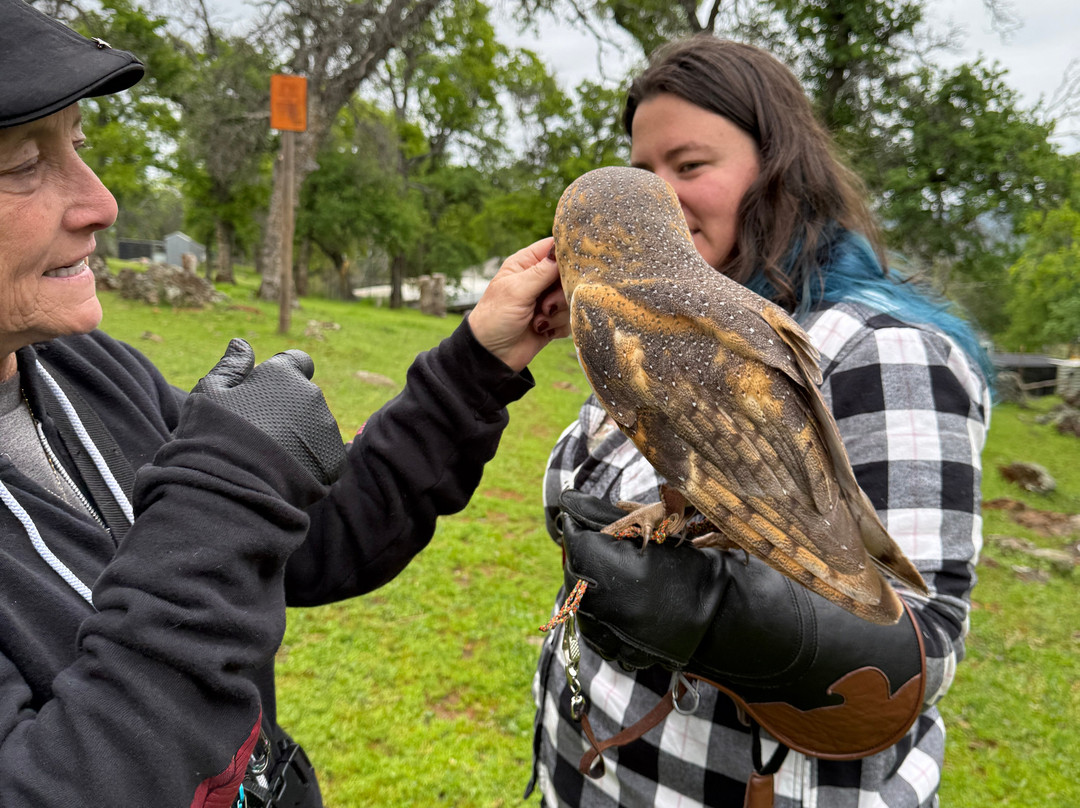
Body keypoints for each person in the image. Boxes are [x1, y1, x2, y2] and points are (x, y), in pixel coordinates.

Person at [0, 2, 570, 805]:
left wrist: (479, 360)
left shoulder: (85, 372)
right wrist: (216, 498)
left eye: (80, 146)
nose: (101, 203)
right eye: (24, 164)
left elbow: (312, 542)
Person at [528, 35, 992, 808]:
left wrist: (712, 616)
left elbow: (926, 647)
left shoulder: (887, 349)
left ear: (779, 169)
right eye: (644, 174)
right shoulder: (655, 306)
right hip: (607, 772)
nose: (663, 195)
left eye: (690, 165)